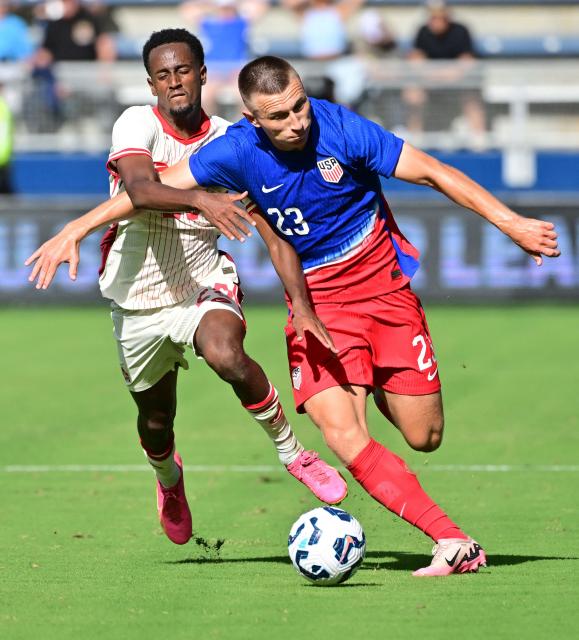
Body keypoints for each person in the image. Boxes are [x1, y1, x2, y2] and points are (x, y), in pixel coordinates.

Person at [26, 56, 560, 575]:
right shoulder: (234, 151)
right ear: (252, 120)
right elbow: (143, 190)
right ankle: (452, 540)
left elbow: (433, 173)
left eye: (299, 106)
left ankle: (375, 380)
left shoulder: (342, 129)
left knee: (425, 436)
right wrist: (76, 228)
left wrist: (509, 222)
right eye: (278, 116)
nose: (296, 122)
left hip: (385, 293)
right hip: (320, 305)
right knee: (343, 437)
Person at [26, 32, 347, 547]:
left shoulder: (232, 141)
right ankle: (169, 481)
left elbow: (274, 234)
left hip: (203, 279)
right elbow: (140, 188)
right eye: (162, 74)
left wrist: (302, 305)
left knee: (227, 354)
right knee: (156, 420)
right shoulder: (136, 122)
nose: (174, 81)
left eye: (183, 70)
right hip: (137, 296)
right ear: (150, 82)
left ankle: (294, 454)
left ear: (201, 73)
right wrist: (201, 199)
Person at [404, 1, 485, 143]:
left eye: (439, 16)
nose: (435, 20)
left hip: (458, 82)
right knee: (413, 94)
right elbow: (416, 61)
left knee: (472, 97)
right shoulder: (423, 31)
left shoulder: (460, 31)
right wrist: (435, 76)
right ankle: (413, 141)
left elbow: (467, 62)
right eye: (432, 16)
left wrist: (445, 75)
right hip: (430, 82)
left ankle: (479, 141)